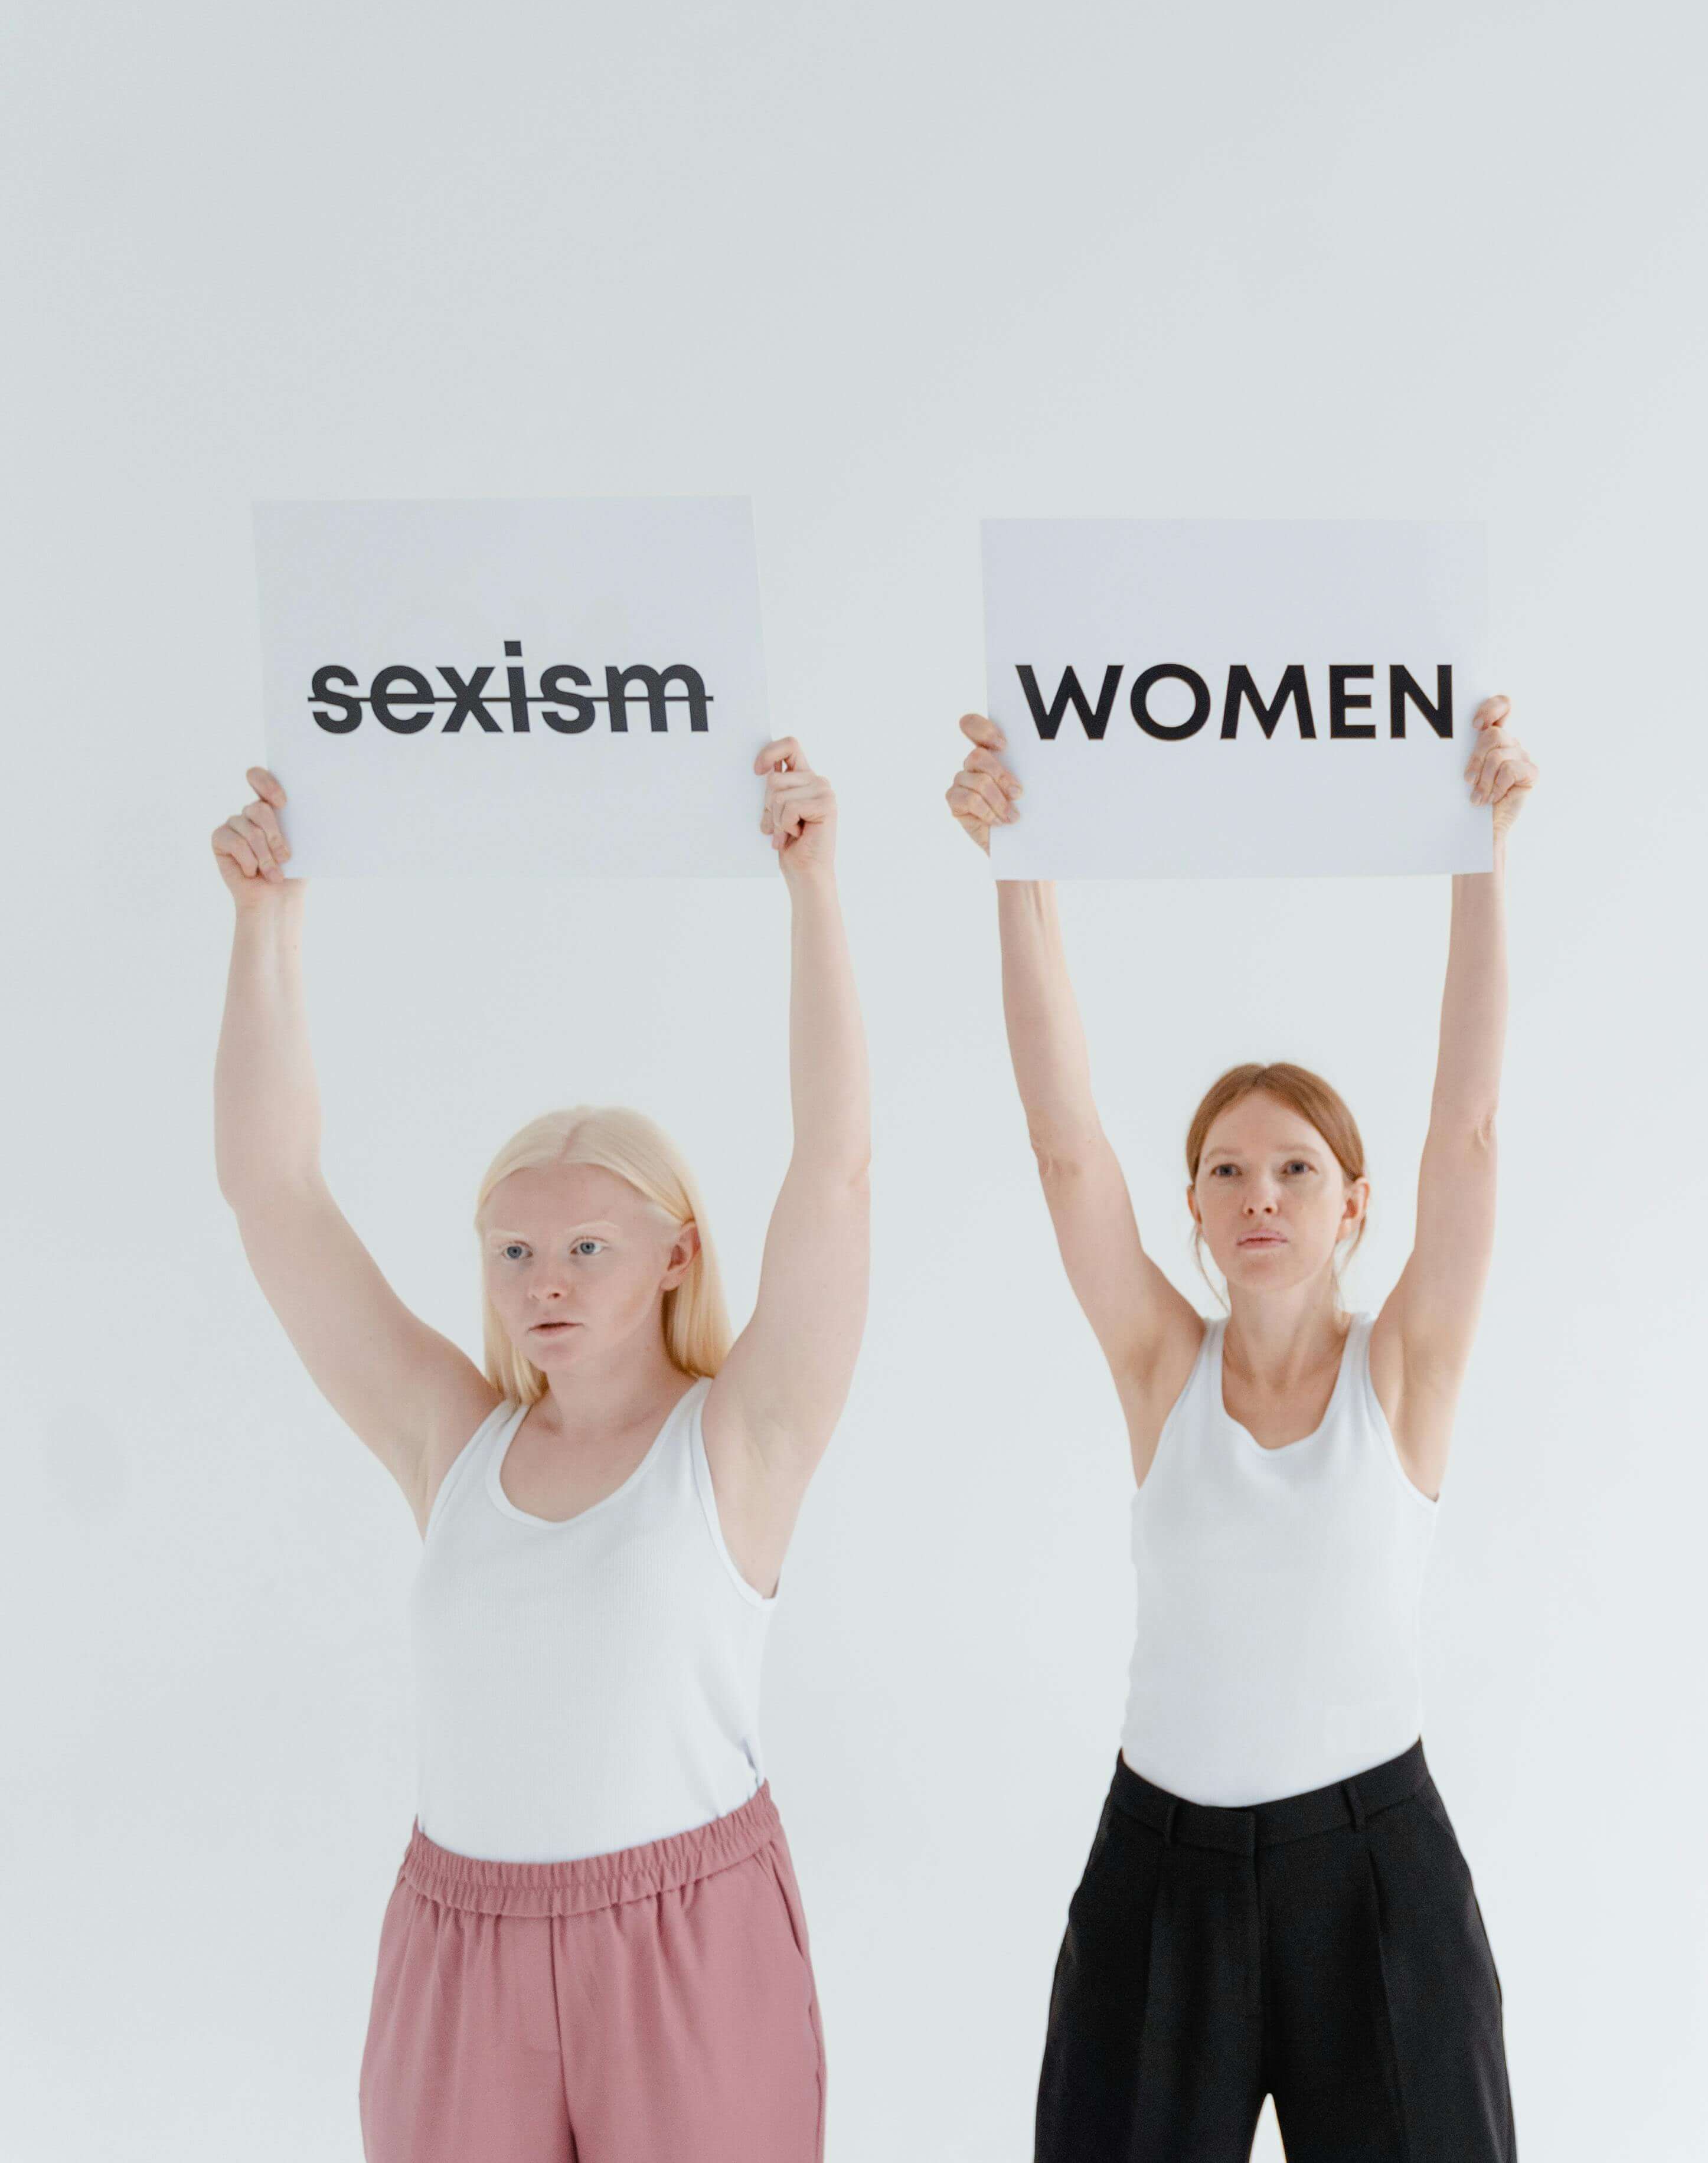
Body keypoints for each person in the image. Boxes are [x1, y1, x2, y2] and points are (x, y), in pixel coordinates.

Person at [209, 745, 869, 2163]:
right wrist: (267, 926)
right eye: (513, 1248)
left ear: (676, 1249)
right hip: (461, 1944)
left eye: (585, 1245)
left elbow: (835, 1166)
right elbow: (275, 1196)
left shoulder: (739, 1435)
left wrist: (813, 891)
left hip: (685, 1947)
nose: (543, 1278)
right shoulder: (452, 1439)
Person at [945, 698, 1536, 2163]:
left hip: (1374, 1868)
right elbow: (1063, 1140)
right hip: (1166, 1869)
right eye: (1227, 1168)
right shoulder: (1161, 1363)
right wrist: (1017, 863)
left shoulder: (1407, 1368)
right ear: (1195, 1208)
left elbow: (1465, 1129)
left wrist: (1483, 856)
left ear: (1354, 1201)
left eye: (1294, 1165)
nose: (1260, 1191)